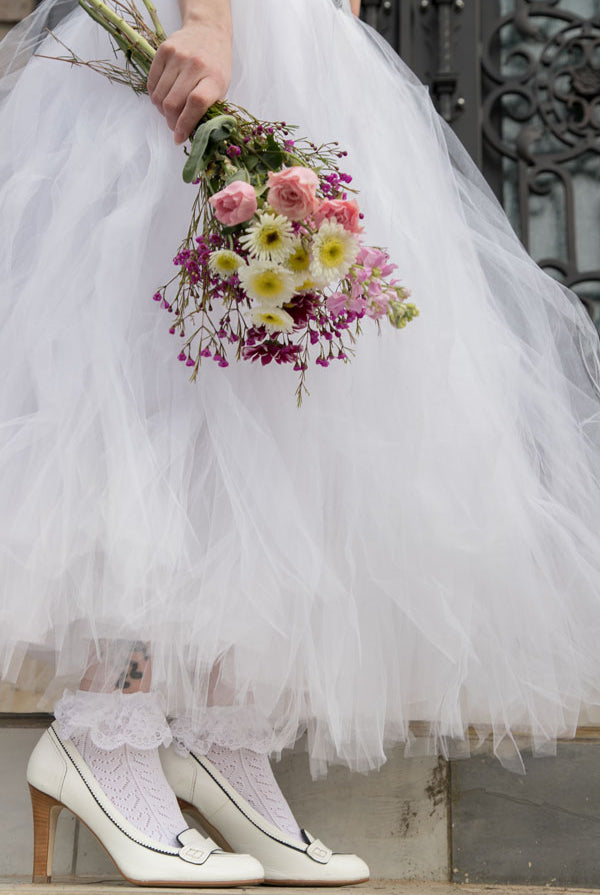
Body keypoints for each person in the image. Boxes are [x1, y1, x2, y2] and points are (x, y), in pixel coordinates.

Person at [2, 0, 600, 886]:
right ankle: (107, 729)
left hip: (304, 44)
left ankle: (219, 735)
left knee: (269, 414)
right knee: (151, 395)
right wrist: (209, 21)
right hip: (202, 35)